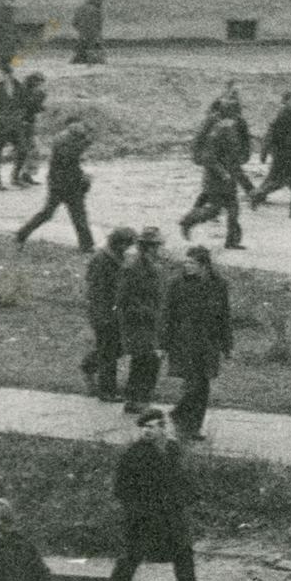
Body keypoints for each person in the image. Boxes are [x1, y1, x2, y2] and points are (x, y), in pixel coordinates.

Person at [156, 245, 232, 443]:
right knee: (193, 385)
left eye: (192, 263)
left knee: (202, 385)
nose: (187, 266)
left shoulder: (219, 284)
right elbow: (166, 315)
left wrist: (227, 344)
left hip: (208, 342)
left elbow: (224, 315)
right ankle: (184, 423)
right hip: (184, 342)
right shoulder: (176, 284)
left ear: (204, 265)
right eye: (186, 262)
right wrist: (162, 344)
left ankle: (192, 425)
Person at [13, 120, 94, 251]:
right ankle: (87, 245)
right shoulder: (68, 142)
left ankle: (22, 233)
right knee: (76, 215)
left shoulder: (65, 138)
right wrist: (83, 178)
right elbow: (69, 161)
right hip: (65, 184)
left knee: (51, 214)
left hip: (61, 183)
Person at [178, 99, 246, 251]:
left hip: (228, 180)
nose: (236, 117)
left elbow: (232, 156)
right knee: (214, 210)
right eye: (234, 114)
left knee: (234, 210)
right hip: (216, 181)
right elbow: (209, 158)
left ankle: (232, 241)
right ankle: (188, 221)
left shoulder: (230, 128)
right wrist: (223, 173)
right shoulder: (217, 131)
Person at [117, 228, 169, 410]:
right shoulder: (134, 268)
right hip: (139, 323)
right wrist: (147, 312)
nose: (159, 249)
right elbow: (125, 298)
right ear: (147, 247)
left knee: (145, 361)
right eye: (156, 246)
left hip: (151, 323)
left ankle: (136, 400)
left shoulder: (153, 267)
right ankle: (138, 400)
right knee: (147, 361)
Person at [80, 226, 133, 399]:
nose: (128, 248)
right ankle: (107, 390)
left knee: (116, 348)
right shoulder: (102, 259)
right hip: (103, 312)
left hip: (112, 311)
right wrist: (104, 315)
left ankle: (89, 365)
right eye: (126, 244)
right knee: (109, 350)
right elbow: (96, 290)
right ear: (118, 242)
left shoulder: (115, 257)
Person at [252, 91, 291, 217]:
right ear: (288, 102)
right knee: (288, 181)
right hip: (286, 154)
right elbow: (281, 137)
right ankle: (258, 195)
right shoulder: (284, 115)